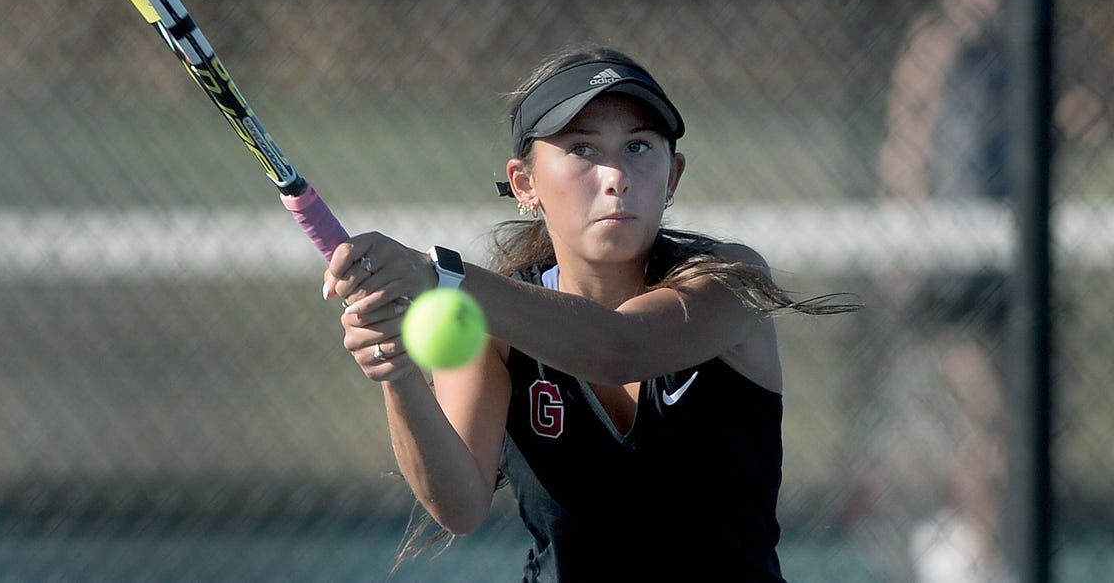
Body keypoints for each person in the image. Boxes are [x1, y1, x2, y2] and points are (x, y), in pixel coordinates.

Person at [323, 45, 859, 582]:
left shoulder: (727, 282)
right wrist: (395, 373)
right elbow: (460, 506)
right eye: (582, 149)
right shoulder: (490, 322)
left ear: (672, 176)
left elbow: (618, 349)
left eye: (638, 146)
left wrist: (439, 275)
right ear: (524, 184)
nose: (616, 176)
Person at [869, 0, 1108, 583]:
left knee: (1029, 420)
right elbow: (906, 148)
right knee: (992, 415)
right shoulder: (937, 46)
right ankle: (969, 548)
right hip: (951, 262)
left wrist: (1060, 81)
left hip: (1019, 260)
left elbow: (1089, 115)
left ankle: (983, 541)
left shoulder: (1038, 40)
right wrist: (906, 243)